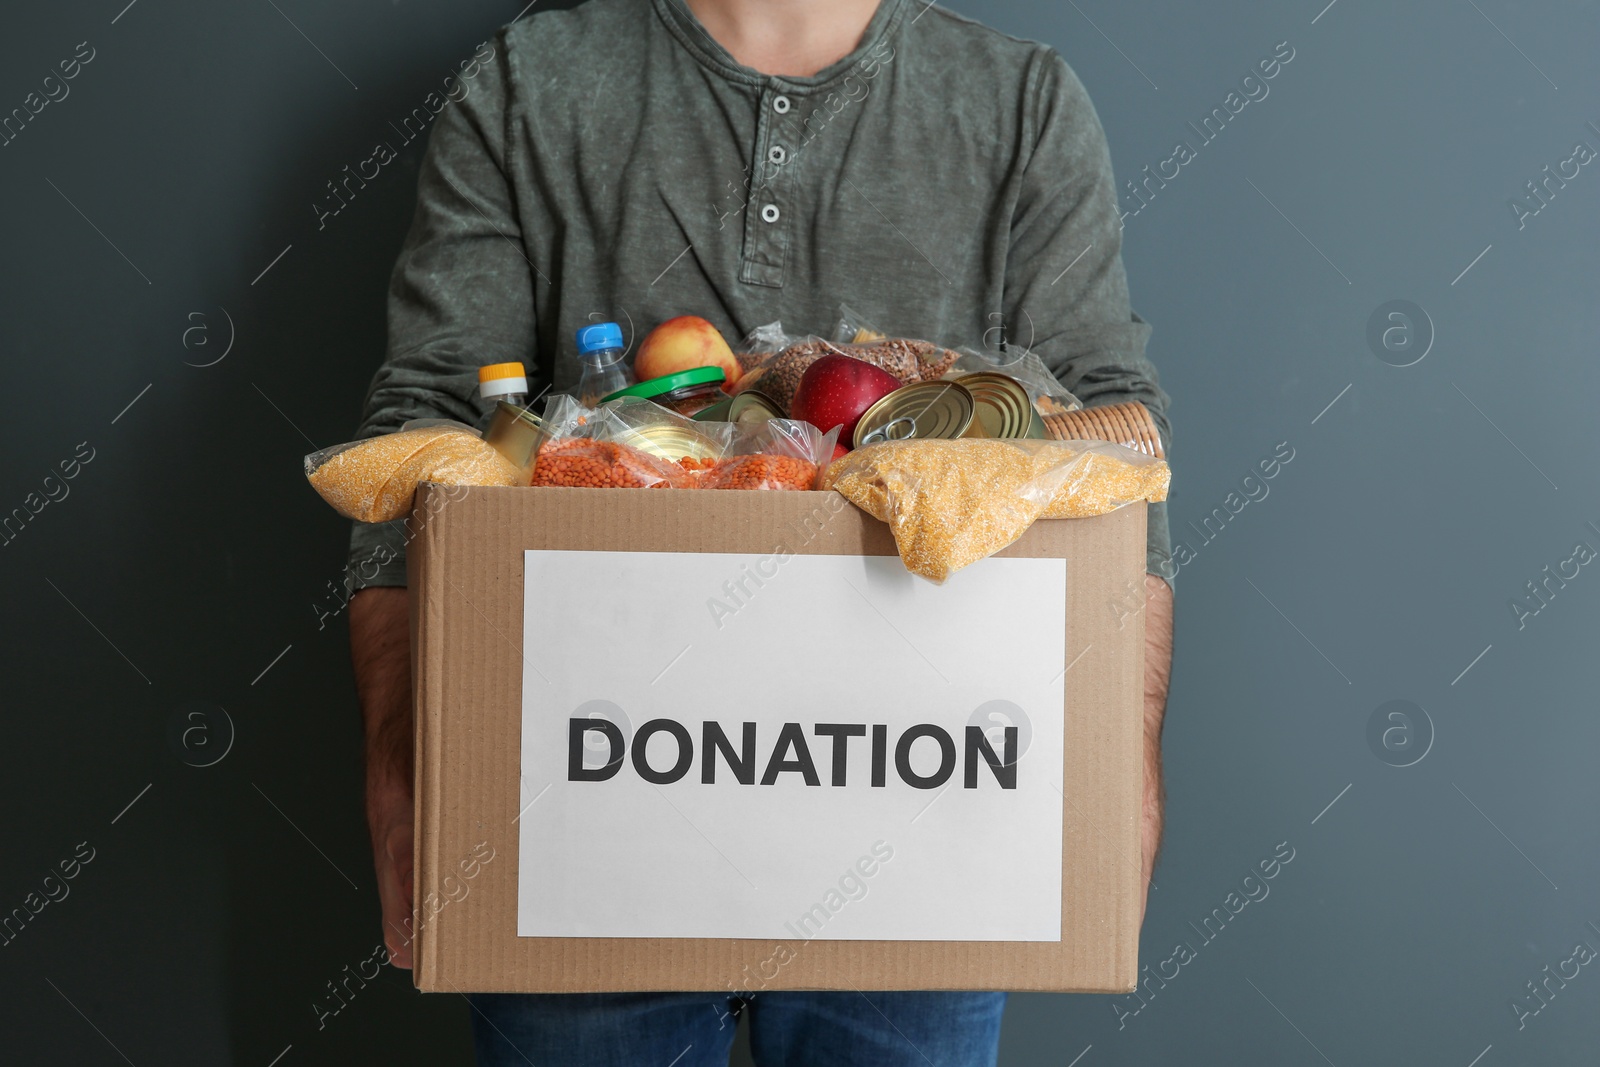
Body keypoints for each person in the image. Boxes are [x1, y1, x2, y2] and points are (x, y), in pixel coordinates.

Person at [346, 0, 1174, 1062]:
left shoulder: (1017, 104)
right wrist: (402, 756)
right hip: (585, 815)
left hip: (916, 811)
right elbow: (424, 425)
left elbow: (1117, 447)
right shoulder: (528, 82)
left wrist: (1122, 761)